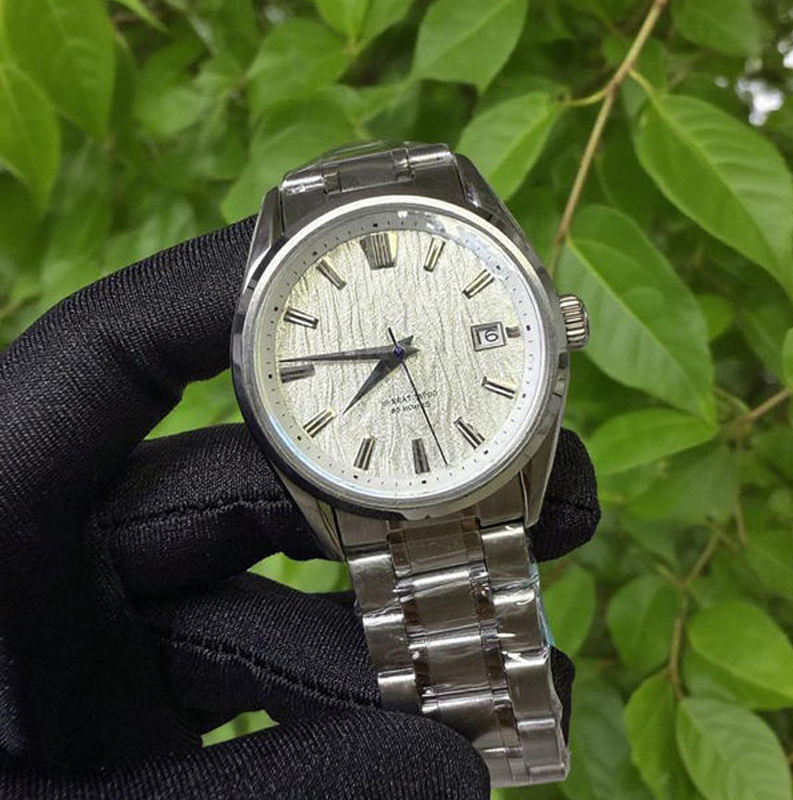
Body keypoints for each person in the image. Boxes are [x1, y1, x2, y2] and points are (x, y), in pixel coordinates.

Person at [0, 219, 599, 798]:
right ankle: (505, 744)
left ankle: (513, 739)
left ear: (559, 324)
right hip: (350, 477)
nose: (395, 356)